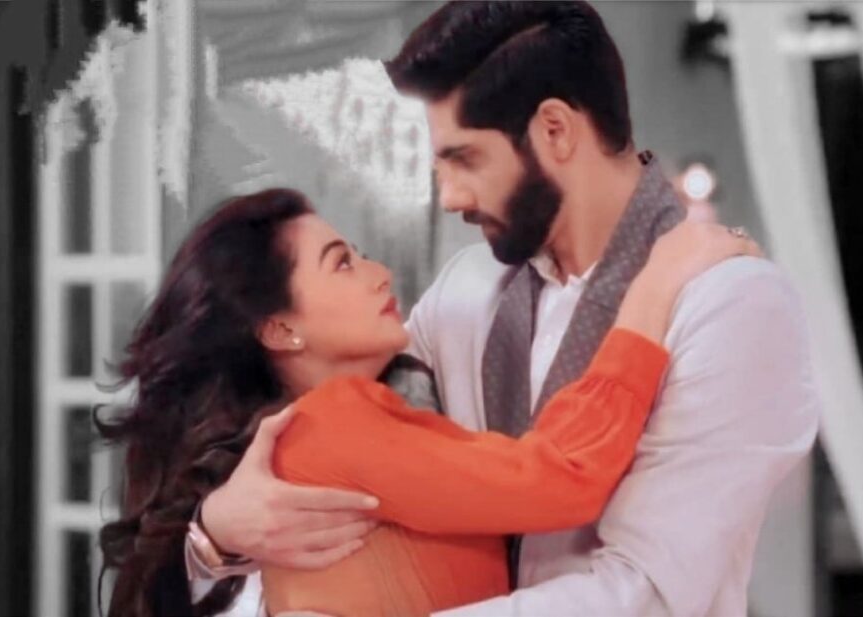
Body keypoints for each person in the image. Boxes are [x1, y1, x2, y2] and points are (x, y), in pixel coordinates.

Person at [195, 2, 821, 616]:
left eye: (465, 158)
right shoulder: (465, 291)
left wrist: (652, 295)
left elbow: (649, 594)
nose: (449, 197)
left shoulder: (729, 304)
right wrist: (217, 534)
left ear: (555, 130)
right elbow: (351, 477)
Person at [97, 187, 759, 616]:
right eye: (342, 263)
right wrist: (655, 289)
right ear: (279, 328)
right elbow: (562, 476)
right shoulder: (330, 425)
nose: (379, 272)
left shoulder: (366, 408)